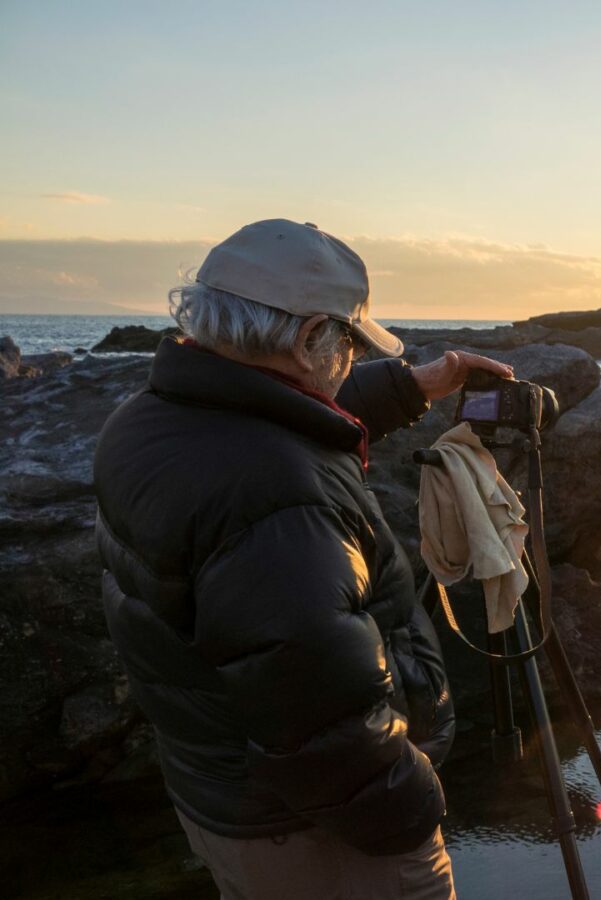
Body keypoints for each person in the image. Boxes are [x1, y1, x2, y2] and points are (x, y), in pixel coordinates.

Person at [94, 219, 513, 899]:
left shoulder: (154, 415)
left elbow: (275, 410)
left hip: (226, 798)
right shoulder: (277, 498)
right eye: (347, 340)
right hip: (319, 839)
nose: (348, 357)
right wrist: (416, 808)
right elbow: (321, 720)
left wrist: (413, 386)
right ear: (307, 338)